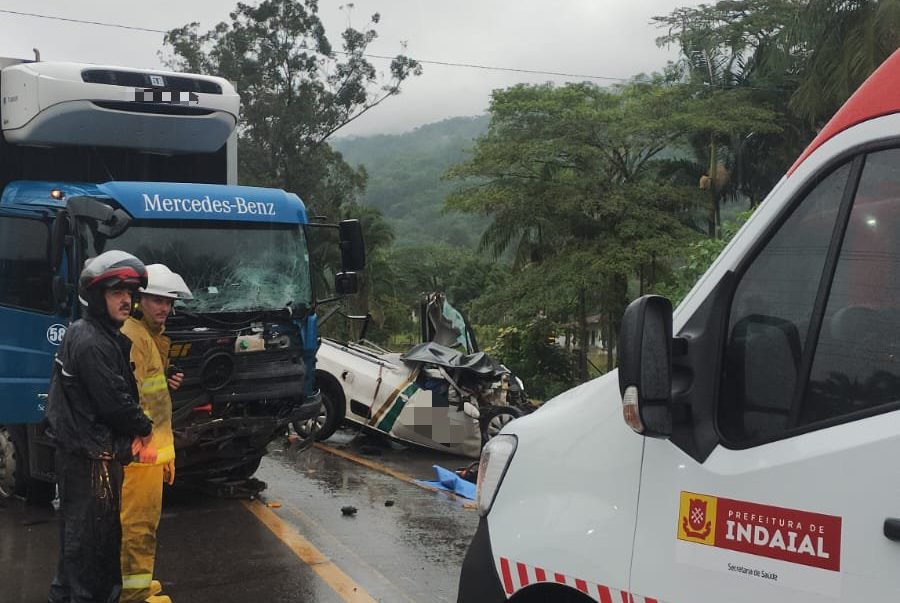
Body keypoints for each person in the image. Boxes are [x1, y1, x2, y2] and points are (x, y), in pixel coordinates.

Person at [47, 250, 157, 603]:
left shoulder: (92, 333)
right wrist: (144, 429)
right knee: (95, 550)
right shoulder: (93, 341)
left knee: (77, 545)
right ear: (96, 297)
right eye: (116, 292)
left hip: (85, 454)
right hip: (93, 459)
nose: (126, 300)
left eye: (129, 293)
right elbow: (115, 402)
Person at [119, 264, 192, 603]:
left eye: (168, 302)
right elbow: (130, 400)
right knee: (137, 527)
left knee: (145, 524)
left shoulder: (150, 337)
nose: (164, 308)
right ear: (139, 300)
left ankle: (140, 584)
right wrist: (149, 449)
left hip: (153, 451)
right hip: (141, 455)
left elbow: (151, 391)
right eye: (157, 300)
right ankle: (134, 595)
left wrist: (167, 374)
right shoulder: (134, 337)